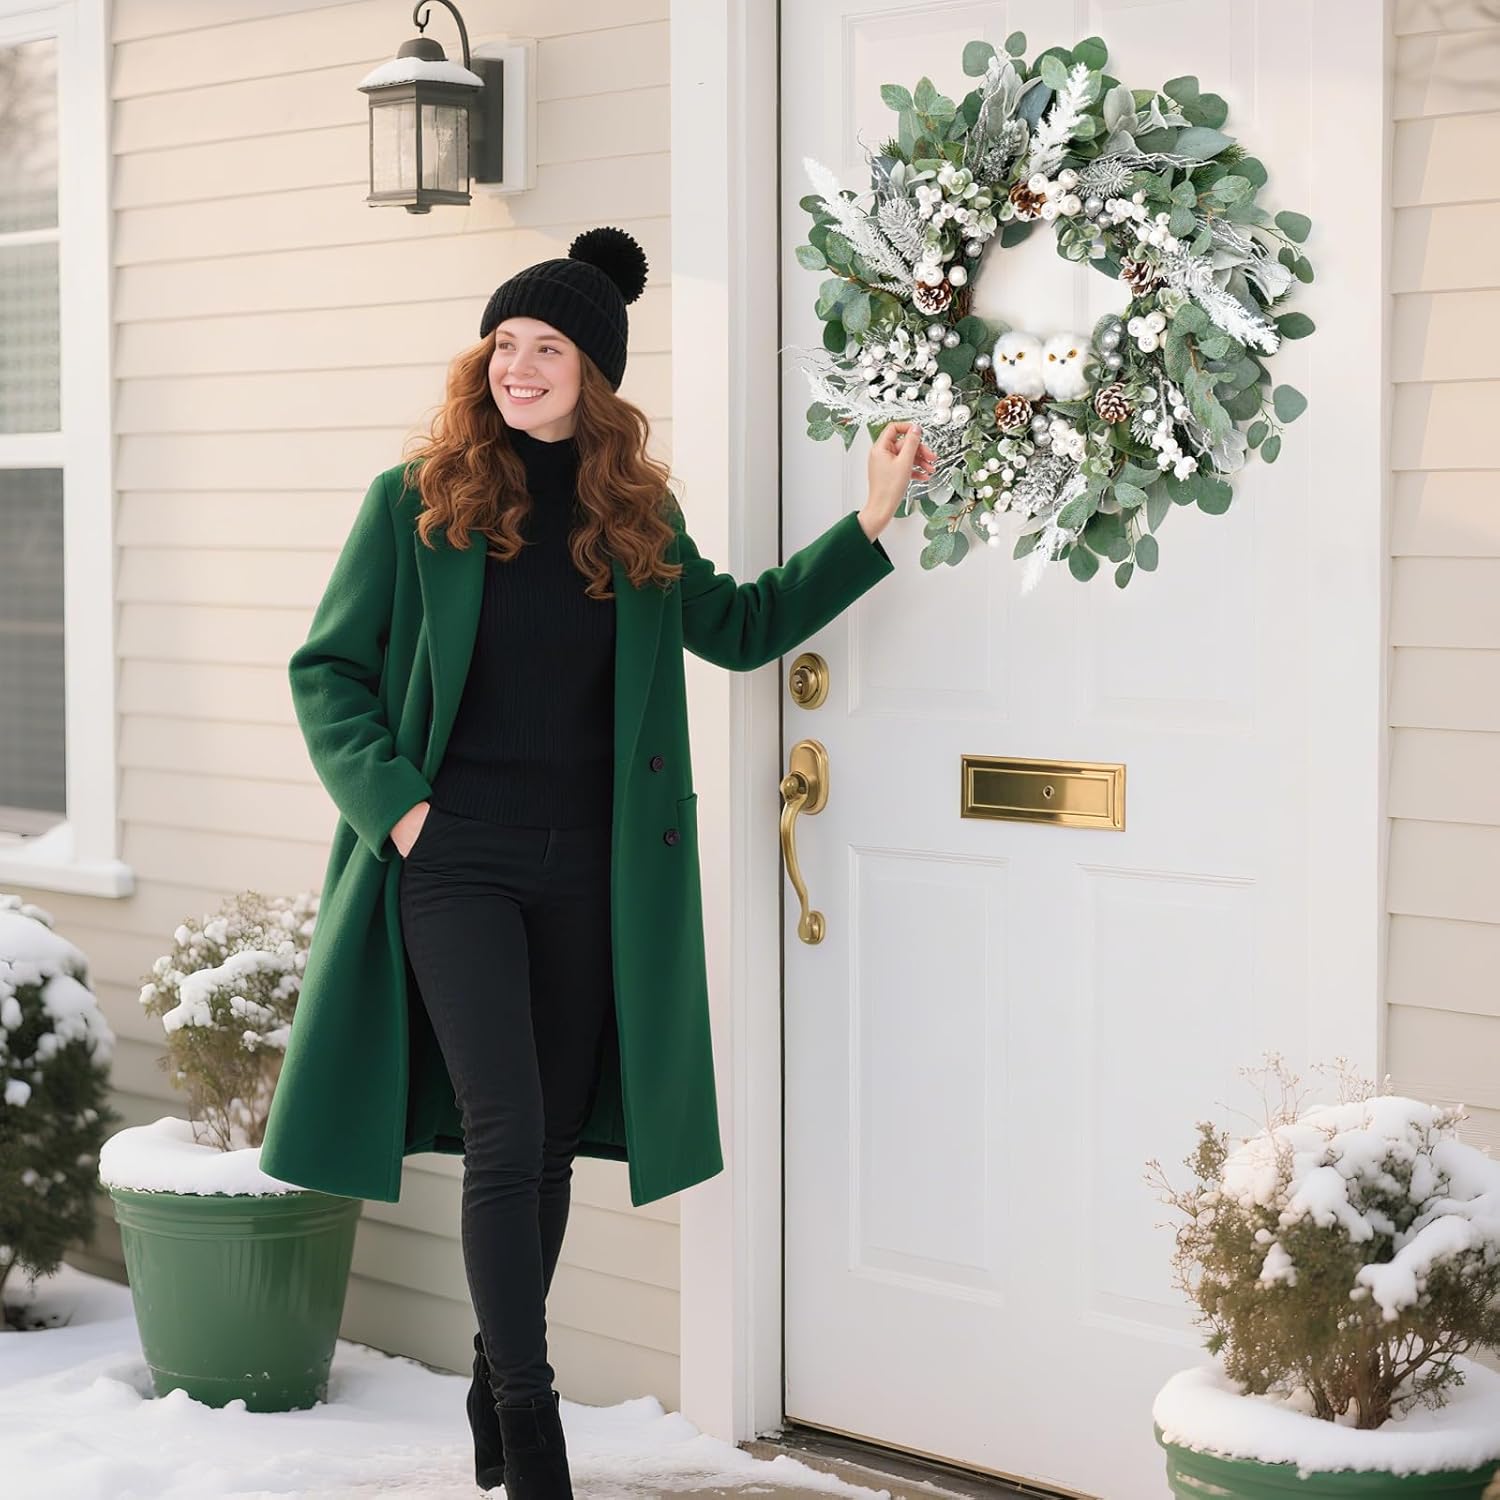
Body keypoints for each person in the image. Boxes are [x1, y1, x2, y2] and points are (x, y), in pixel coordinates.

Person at [291, 225, 932, 1498]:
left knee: (550, 1141)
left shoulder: (634, 512)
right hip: (453, 860)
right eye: (503, 346)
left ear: (596, 375)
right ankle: (532, 1425)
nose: (518, 368)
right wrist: (403, 814)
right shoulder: (414, 501)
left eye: (547, 349)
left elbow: (740, 628)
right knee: (505, 1124)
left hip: (594, 871)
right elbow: (331, 674)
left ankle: (492, 1367)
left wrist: (870, 519)